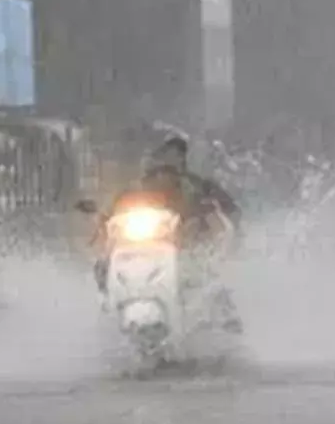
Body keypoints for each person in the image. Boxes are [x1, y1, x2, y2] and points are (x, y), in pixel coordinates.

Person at [93, 134, 243, 332]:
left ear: (182, 159)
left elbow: (226, 212)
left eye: (175, 156)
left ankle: (224, 318)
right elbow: (110, 214)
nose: (166, 165)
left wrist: (209, 218)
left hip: (186, 248)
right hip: (141, 248)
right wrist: (103, 224)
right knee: (103, 264)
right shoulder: (135, 189)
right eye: (163, 156)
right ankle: (108, 305)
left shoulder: (197, 187)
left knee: (208, 277)